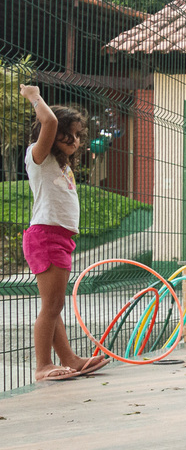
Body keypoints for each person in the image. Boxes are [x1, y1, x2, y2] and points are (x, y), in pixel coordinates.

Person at [20, 87, 108, 382]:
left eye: (77, 134)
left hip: (59, 238)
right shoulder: (38, 157)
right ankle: (43, 366)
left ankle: (68, 358)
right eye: (66, 134)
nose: (74, 139)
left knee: (55, 303)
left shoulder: (61, 164)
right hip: (45, 236)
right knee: (52, 305)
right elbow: (49, 122)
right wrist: (34, 96)